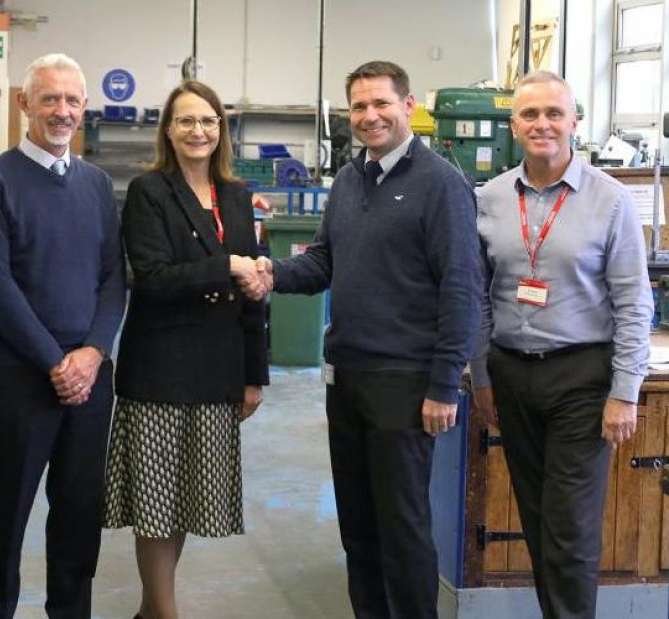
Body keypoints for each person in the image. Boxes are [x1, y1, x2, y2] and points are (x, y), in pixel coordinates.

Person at [254, 60, 482, 618]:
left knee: (403, 531)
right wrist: (270, 274)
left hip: (404, 384)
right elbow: (326, 260)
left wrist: (444, 384)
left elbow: (462, 288)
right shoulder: (353, 178)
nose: (370, 115)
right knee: (358, 529)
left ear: (408, 108)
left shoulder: (441, 185)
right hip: (348, 379)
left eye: (381, 103)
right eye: (359, 106)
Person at [471, 71, 652, 619]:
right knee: (537, 522)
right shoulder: (488, 199)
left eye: (554, 113)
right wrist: (481, 376)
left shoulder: (611, 201)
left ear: (575, 122)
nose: (542, 124)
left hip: (582, 379)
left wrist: (625, 392)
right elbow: (476, 296)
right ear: (513, 125)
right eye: (530, 114)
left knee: (570, 527)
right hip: (511, 375)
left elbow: (634, 302)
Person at [0, 53, 127, 619]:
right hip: (19, 381)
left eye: (72, 100)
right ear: (23, 104)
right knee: (3, 519)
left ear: (84, 108)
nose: (62, 111)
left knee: (79, 518)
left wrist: (92, 353)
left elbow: (114, 278)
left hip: (89, 381)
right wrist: (55, 363)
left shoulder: (97, 184)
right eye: (50, 98)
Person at [102, 80, 269, 619]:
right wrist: (226, 266)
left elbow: (253, 298)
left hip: (218, 367)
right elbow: (150, 279)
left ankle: (152, 612)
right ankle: (165, 613)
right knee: (155, 502)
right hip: (160, 369)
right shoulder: (150, 192)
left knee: (189, 499)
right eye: (186, 121)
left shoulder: (238, 196)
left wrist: (254, 375)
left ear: (221, 130)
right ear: (168, 131)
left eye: (208, 121)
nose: (198, 131)